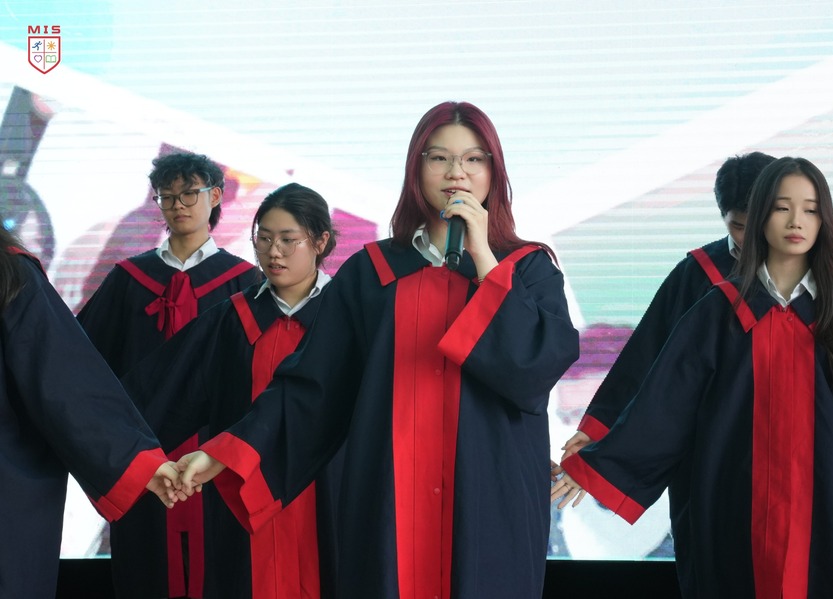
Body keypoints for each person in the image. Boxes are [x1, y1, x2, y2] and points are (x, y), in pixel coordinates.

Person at [175, 101, 580, 599]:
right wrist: (227, 453)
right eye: (439, 158)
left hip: (490, 503)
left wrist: (484, 260)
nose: (456, 173)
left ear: (494, 172)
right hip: (388, 507)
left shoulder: (529, 269)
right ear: (416, 169)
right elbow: (311, 388)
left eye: (474, 159)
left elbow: (536, 368)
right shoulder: (371, 274)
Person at [552, 157, 833, 598]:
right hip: (731, 491)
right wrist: (600, 458)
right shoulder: (713, 303)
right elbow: (661, 391)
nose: (794, 221)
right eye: (780, 209)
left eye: (809, 210)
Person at [116, 183, 339, 598]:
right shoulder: (232, 320)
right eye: (264, 239)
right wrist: (125, 452)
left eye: (288, 240)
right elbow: (161, 391)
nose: (273, 253)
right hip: (241, 504)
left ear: (321, 241)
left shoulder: (349, 318)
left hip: (330, 497)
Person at [77, 151, 260, 599]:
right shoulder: (128, 279)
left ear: (215, 196)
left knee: (220, 565)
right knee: (145, 566)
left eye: (190, 193)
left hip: (215, 453)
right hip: (144, 451)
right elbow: (85, 364)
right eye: (167, 196)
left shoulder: (244, 282)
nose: (178, 205)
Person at [558, 152, 776, 501]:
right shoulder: (699, 275)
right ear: (722, 217)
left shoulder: (819, 279)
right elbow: (646, 358)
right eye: (739, 226)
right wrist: (600, 433)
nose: (753, 239)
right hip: (711, 455)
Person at [0, 228, 179, 599]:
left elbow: (61, 377)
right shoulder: (12, 271)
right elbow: (62, 377)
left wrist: (135, 460)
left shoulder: (10, 273)